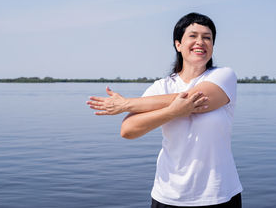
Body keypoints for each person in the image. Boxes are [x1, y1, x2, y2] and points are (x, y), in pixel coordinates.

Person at [86, 12, 242, 208]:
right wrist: (172, 112)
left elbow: (197, 100)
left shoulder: (224, 76)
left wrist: (126, 104)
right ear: (178, 44)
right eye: (193, 36)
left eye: (207, 37)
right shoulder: (161, 87)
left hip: (218, 195)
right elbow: (128, 130)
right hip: (168, 196)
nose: (200, 42)